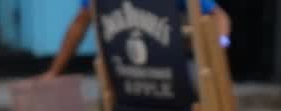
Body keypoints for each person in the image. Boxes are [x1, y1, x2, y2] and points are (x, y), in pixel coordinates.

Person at [40, 0, 231, 80]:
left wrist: (220, 47)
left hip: (171, 76)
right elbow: (80, 23)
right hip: (126, 80)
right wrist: (54, 71)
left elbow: (219, 16)